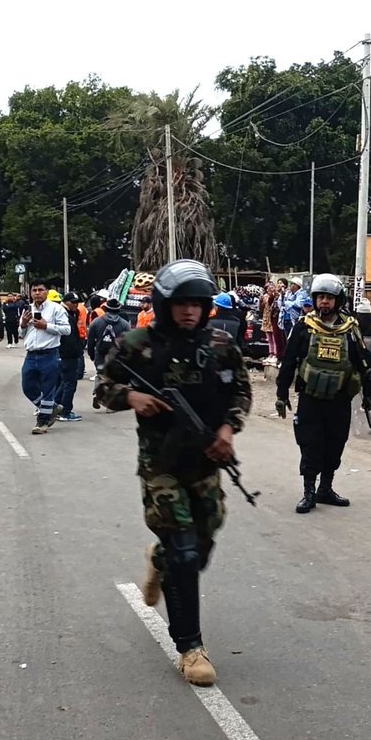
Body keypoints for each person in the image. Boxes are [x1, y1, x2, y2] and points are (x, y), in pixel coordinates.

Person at [94, 259, 252, 687]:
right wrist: (132, 398)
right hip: (160, 463)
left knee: (203, 540)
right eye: (181, 303)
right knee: (184, 552)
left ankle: (158, 560)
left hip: (206, 460)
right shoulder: (136, 343)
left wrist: (227, 429)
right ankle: (190, 648)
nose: (189, 311)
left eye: (197, 304)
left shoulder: (221, 343)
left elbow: (240, 389)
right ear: (166, 304)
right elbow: (102, 389)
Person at [275, 273, 371, 514]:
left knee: (335, 444)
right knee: (310, 445)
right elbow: (289, 361)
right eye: (320, 297)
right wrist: (281, 393)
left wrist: (369, 394)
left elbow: (363, 363)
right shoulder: (304, 327)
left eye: (329, 298)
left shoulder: (350, 329)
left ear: (338, 300)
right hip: (311, 397)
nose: (324, 302)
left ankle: (325, 488)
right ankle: (308, 492)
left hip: (339, 400)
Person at [20, 281, 71, 434]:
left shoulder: (56, 309)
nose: (37, 293)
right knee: (27, 387)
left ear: (47, 292)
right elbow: (22, 334)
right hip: (31, 355)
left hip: (49, 354)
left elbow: (66, 329)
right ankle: (52, 408)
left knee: (48, 389)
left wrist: (46, 325)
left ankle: (43, 422)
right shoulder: (27, 309)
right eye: (34, 290)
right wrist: (22, 324)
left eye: (40, 290)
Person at [56, 293, 85, 422]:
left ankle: (55, 407)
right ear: (66, 302)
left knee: (64, 382)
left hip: (64, 354)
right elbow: (70, 338)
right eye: (73, 302)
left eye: (77, 302)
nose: (76, 305)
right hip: (68, 354)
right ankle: (65, 411)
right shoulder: (65, 315)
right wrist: (77, 352)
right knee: (70, 383)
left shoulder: (68, 314)